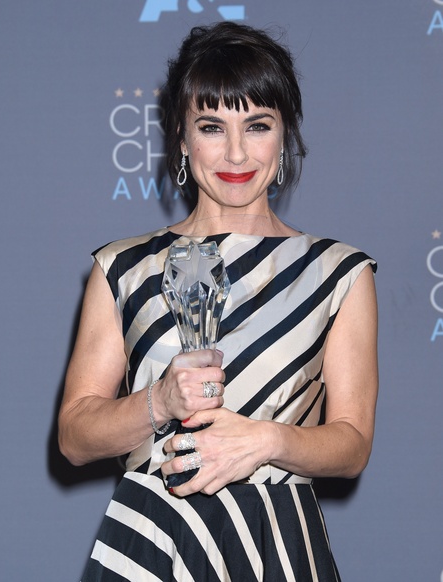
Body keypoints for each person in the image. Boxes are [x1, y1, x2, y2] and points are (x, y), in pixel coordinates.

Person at [59, 21, 378, 581]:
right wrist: (159, 400)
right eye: (212, 127)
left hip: (275, 541)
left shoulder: (338, 273)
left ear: (284, 135)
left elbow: (351, 446)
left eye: (257, 125)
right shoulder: (124, 268)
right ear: (183, 139)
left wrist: (265, 440)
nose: (235, 152)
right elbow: (74, 438)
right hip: (155, 537)